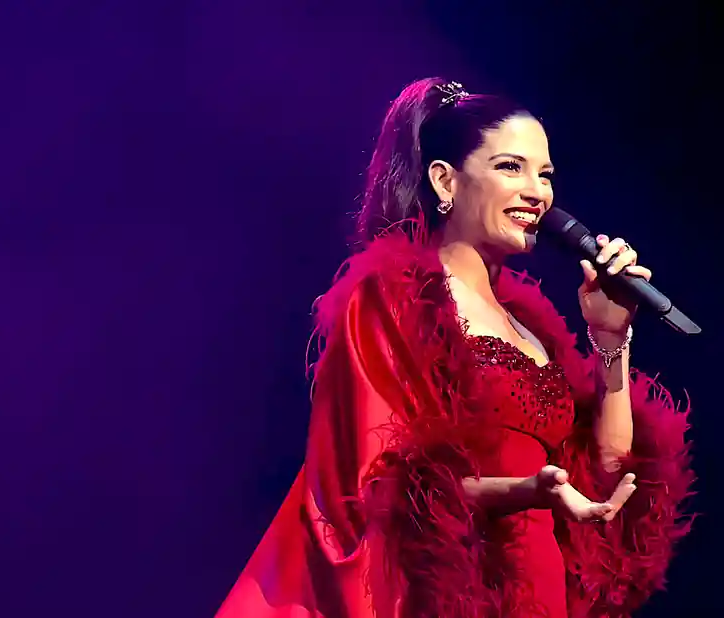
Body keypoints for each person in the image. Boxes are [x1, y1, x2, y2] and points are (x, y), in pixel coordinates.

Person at [214, 78, 695, 618]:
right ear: (446, 181)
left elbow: (606, 466)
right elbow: (376, 491)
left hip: (538, 593)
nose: (539, 191)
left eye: (546, 174)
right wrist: (522, 490)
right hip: (440, 594)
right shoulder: (392, 300)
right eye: (511, 167)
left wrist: (611, 338)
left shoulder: (532, 329)